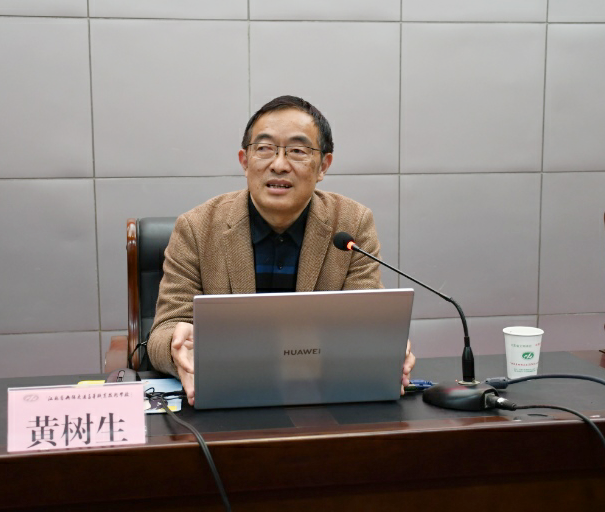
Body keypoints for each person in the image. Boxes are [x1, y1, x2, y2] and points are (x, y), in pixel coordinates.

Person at [145, 95, 416, 405]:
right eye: (264, 149)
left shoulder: (351, 224)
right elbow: (163, 332)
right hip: (228, 397)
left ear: (323, 166)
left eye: (297, 151)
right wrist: (176, 347)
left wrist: (387, 347)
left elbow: (365, 322)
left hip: (321, 398)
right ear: (244, 161)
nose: (278, 165)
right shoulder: (196, 228)